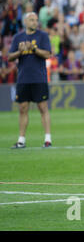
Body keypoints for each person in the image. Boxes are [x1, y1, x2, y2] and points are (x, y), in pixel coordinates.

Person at [8, 12, 52, 148]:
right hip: (23, 78)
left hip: (39, 77)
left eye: (36, 20)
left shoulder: (42, 36)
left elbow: (47, 54)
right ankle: (21, 140)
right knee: (22, 108)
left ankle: (48, 139)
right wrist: (20, 52)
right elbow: (10, 57)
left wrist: (34, 48)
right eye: (32, 20)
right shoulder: (18, 37)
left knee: (42, 107)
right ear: (25, 22)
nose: (35, 22)